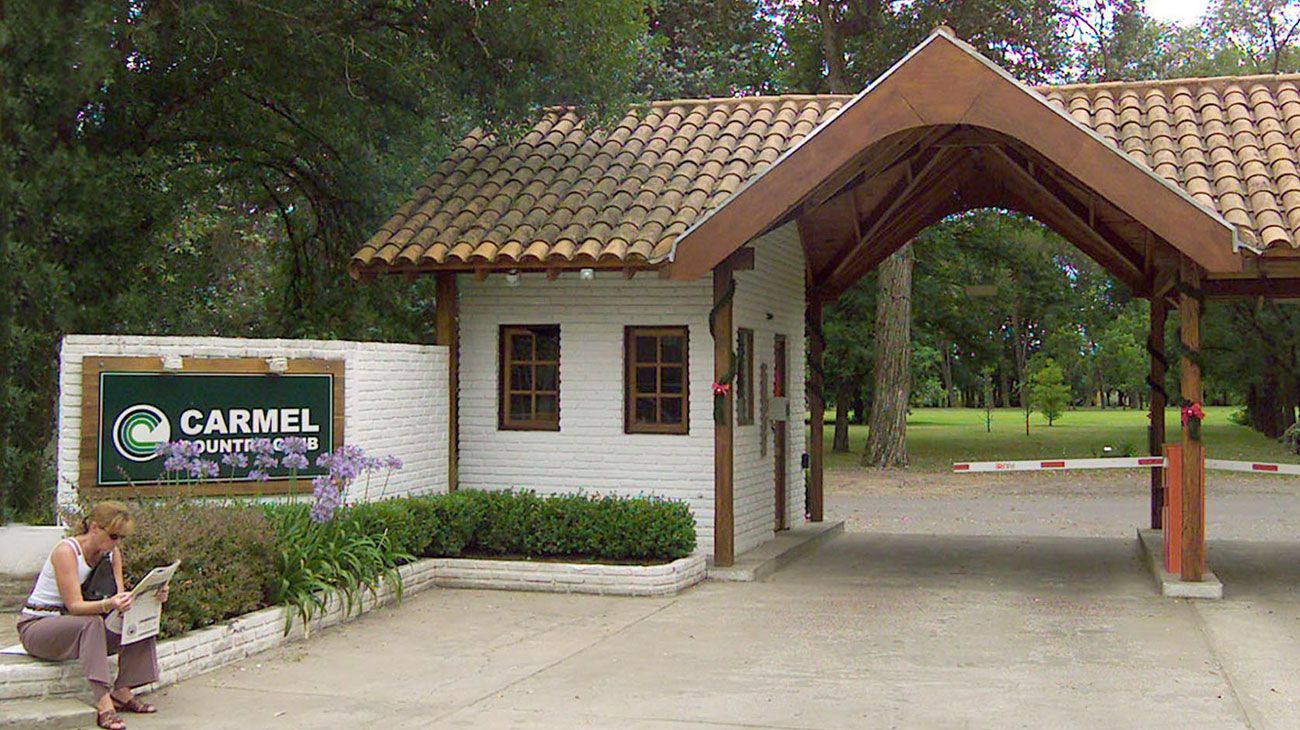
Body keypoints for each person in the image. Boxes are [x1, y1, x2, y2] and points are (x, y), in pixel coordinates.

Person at [18, 501, 168, 730]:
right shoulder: (66, 552)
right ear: (95, 528)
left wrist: (150, 596)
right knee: (92, 623)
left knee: (134, 617)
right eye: (113, 536)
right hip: (39, 625)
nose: (116, 542)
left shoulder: (111, 553)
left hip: (76, 629)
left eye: (121, 538)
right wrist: (109, 604)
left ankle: (123, 689)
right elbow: (75, 606)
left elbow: (118, 599)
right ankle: (104, 703)